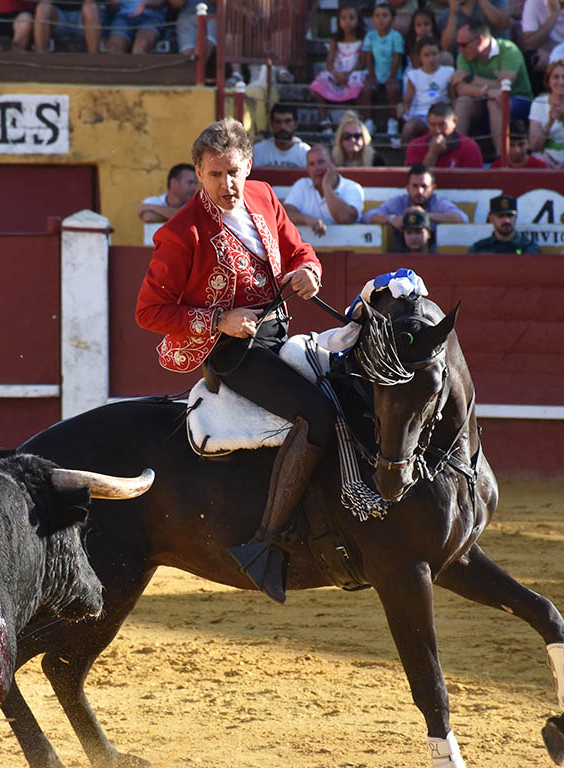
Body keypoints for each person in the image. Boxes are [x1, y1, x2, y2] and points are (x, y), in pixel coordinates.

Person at [135, 117, 331, 605]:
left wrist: (309, 270)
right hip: (233, 354)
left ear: (249, 166)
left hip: (279, 335)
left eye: (235, 172)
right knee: (319, 414)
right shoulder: (182, 234)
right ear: (198, 175)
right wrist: (218, 319)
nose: (228, 185)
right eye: (216, 175)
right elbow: (148, 312)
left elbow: (298, 248)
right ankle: (267, 543)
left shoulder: (262, 195)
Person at [451, 19, 534, 158]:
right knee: (463, 102)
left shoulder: (508, 50)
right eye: (458, 45)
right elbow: (461, 89)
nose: (460, 50)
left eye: (463, 45)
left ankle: (501, 159)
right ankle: (456, 156)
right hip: (485, 100)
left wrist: (471, 78)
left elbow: (505, 86)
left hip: (519, 100)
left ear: (479, 40)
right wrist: (487, 91)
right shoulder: (464, 55)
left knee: (495, 102)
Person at [363, 163, 467, 251]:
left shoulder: (437, 203)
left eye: (424, 186)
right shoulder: (399, 202)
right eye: (415, 186)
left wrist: (425, 215)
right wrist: (391, 219)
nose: (419, 191)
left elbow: (462, 218)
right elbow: (367, 216)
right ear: (408, 188)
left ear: (433, 188)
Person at [308, 1, 369, 135]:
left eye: (351, 18)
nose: (347, 21)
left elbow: (362, 63)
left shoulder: (363, 40)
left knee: (357, 81)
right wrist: (336, 74)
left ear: (358, 20)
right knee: (319, 82)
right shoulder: (335, 41)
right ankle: (324, 121)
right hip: (337, 74)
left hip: (353, 74)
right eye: (344, 18)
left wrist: (348, 74)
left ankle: (361, 121)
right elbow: (329, 63)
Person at [283, 145, 364, 236]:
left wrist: (326, 187)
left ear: (332, 162)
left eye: (321, 162)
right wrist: (306, 219)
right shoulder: (302, 185)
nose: (317, 168)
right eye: (312, 164)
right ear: (307, 168)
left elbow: (345, 218)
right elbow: (286, 213)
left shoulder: (352, 187)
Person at [399, 35, 455, 145]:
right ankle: (407, 159)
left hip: (442, 113)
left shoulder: (449, 72)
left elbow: (453, 98)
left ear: (440, 54)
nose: (431, 59)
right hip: (421, 115)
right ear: (420, 57)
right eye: (426, 55)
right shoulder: (413, 75)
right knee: (409, 128)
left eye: (434, 54)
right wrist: (402, 106)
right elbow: (408, 101)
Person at [360, 1, 405, 139]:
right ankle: (368, 122)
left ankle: (392, 122)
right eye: (377, 15)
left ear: (392, 18)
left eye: (385, 15)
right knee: (365, 89)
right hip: (376, 75)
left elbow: (397, 58)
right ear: (372, 18)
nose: (381, 19)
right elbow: (368, 57)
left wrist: (392, 77)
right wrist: (372, 75)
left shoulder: (396, 37)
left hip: (393, 75)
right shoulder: (370, 36)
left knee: (392, 90)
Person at [404, 101, 483, 168]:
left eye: (442, 124)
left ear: (454, 122)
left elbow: (476, 183)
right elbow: (414, 181)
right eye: (432, 125)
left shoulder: (469, 147)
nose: (437, 130)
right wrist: (432, 154)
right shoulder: (416, 145)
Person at [430, 0, 509, 57]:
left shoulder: (496, 1)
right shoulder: (447, 15)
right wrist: (453, 13)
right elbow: (445, 48)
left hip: (497, 57)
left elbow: (503, 23)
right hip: (465, 63)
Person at [468, 194, 542, 253]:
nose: (506, 220)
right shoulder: (478, 249)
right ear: (491, 219)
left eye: (510, 216)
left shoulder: (527, 248)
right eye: (500, 216)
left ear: (516, 217)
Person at [34, 0, 103, 53]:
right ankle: (41, 58)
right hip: (57, 17)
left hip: (82, 18)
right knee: (43, 8)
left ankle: (93, 59)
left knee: (91, 8)